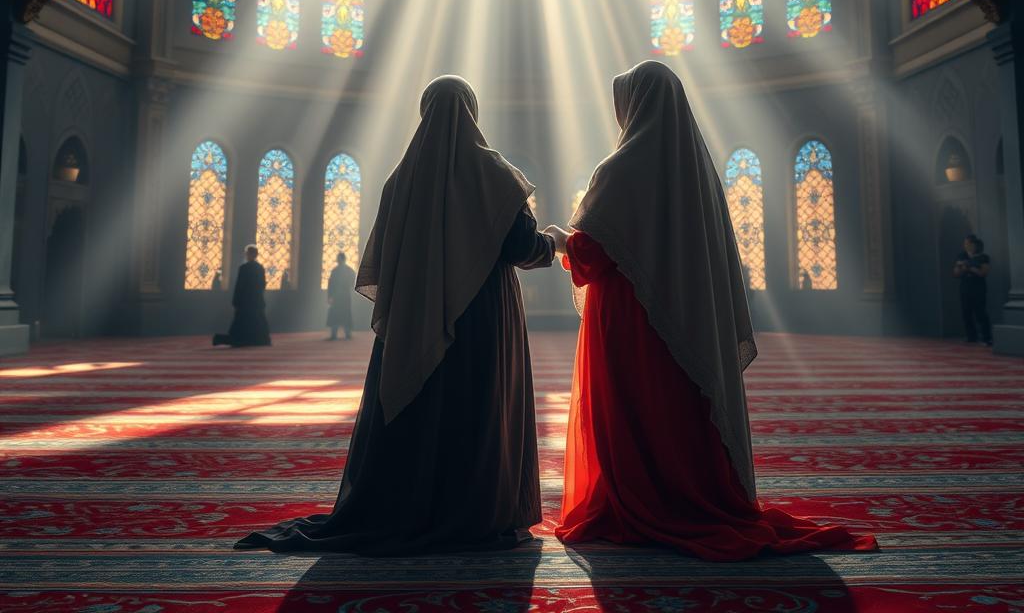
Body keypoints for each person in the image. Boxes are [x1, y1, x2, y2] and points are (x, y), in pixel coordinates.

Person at [548, 61, 877, 561]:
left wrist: (555, 242)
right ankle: (688, 492)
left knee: (632, 408)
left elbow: (592, 253)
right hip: (685, 323)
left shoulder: (619, 169)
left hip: (629, 324)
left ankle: (642, 500)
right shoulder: (696, 172)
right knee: (677, 406)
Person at [236, 75, 556, 554]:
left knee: (424, 409)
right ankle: (477, 511)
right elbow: (522, 246)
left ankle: (410, 505)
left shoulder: (402, 180)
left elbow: (383, 260)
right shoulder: (493, 172)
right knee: (477, 407)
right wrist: (555, 242)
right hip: (482, 321)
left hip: (416, 317)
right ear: (472, 112)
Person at [213, 245, 272, 348]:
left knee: (241, 325)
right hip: (257, 301)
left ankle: (234, 339)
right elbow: (262, 285)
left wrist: (236, 301)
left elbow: (240, 286)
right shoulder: (260, 268)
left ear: (248, 254)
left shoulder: (244, 268)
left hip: (245, 302)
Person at [954, 235, 992, 345]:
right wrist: (962, 268)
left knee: (981, 313)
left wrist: (969, 267)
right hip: (965, 288)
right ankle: (971, 337)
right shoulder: (961, 255)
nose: (965, 246)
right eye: (965, 243)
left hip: (978, 288)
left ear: (974, 244)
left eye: (968, 243)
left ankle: (987, 338)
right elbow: (955, 273)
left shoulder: (984, 257)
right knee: (966, 313)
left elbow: (983, 273)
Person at [326, 251, 355, 341]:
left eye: (338, 258)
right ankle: (343, 334)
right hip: (342, 296)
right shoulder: (348, 270)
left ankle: (342, 334)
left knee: (340, 314)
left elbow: (331, 284)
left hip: (340, 296)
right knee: (341, 314)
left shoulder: (336, 271)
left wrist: (330, 296)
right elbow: (331, 284)